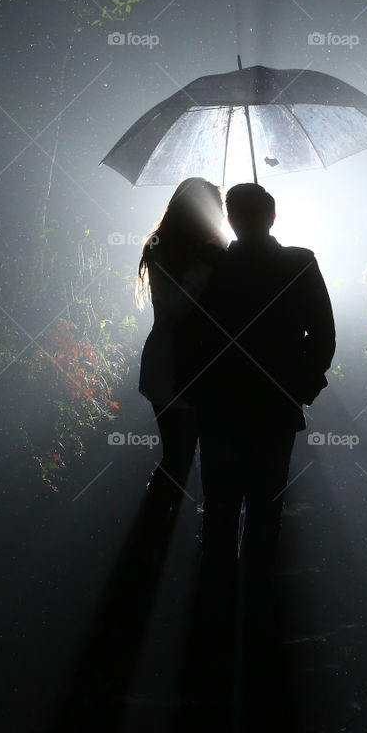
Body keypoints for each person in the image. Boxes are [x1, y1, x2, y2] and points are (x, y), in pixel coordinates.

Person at [179, 182, 335, 604]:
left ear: (228, 220)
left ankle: (216, 603)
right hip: (274, 405)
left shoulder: (210, 266)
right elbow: (323, 336)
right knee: (266, 506)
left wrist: (195, 387)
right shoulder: (300, 263)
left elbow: (188, 334)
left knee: (220, 508)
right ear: (273, 217)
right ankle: (260, 602)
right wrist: (301, 386)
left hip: (219, 405)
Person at [136, 177, 228, 515]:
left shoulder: (213, 249)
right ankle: (156, 527)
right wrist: (206, 264)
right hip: (171, 367)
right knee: (179, 458)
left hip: (207, 367)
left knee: (203, 459)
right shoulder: (162, 248)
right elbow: (174, 308)